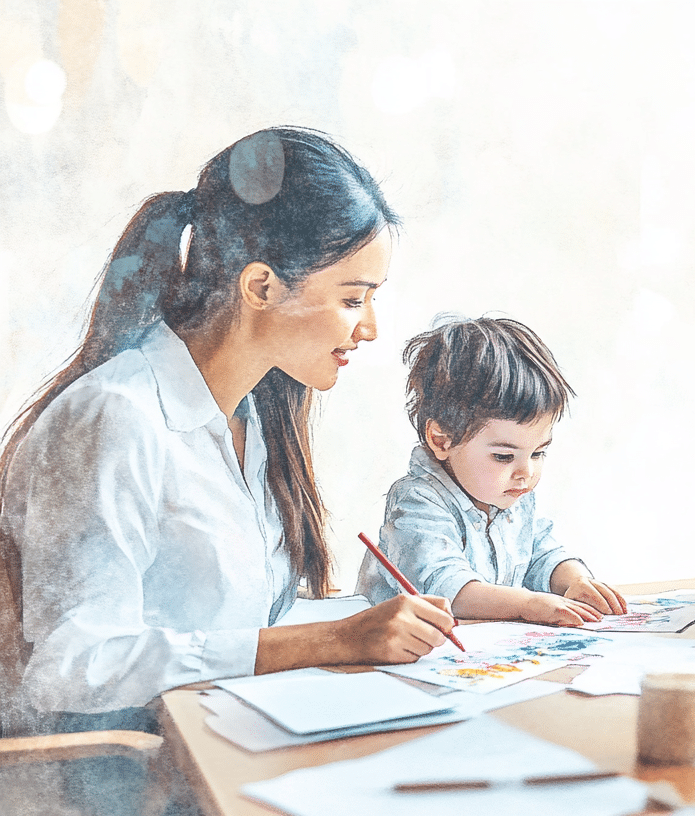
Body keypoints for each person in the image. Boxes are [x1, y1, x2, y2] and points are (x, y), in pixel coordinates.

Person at [0, 128, 461, 750]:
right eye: (355, 298)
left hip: (233, 742)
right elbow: (73, 668)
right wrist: (334, 638)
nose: (371, 328)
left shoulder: (254, 417)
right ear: (261, 287)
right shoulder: (114, 418)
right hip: (135, 770)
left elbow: (238, 625)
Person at [357, 315, 626, 626]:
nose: (526, 472)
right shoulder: (418, 500)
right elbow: (447, 590)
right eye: (503, 456)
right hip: (395, 657)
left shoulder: (510, 494)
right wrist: (529, 603)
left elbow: (540, 551)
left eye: (539, 453)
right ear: (442, 440)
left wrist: (575, 581)